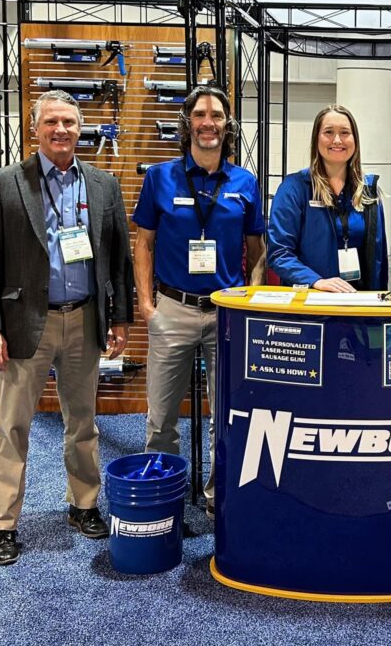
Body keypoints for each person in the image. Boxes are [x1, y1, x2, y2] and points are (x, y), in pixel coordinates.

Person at [0, 90, 133, 566]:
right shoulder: (2, 185)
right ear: (35, 127)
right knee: (12, 425)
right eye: (51, 123)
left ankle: (83, 505)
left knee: (82, 422)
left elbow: (118, 261)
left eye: (69, 122)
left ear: (80, 128)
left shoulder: (103, 185)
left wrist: (119, 317)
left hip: (84, 319)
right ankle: (4, 524)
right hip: (25, 323)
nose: (61, 130)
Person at [133, 85, 265, 517]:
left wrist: (251, 298)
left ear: (228, 125)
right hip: (172, 308)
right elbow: (144, 243)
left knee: (225, 412)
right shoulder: (160, 176)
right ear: (188, 122)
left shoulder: (245, 182)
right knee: (161, 416)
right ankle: (162, 495)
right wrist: (148, 306)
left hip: (226, 312)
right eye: (201, 114)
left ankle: (216, 494)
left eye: (217, 115)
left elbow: (257, 250)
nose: (209, 122)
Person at [268, 105, 388, 291]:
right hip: (310, 301)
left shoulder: (368, 192)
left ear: (355, 140)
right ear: (316, 139)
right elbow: (279, 253)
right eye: (329, 132)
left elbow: (378, 258)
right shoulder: (294, 189)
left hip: (356, 303)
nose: (337, 140)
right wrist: (316, 281)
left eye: (345, 132)